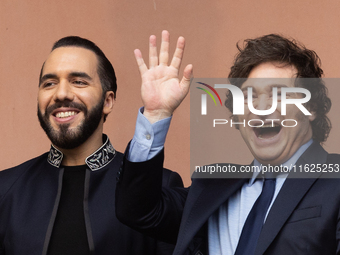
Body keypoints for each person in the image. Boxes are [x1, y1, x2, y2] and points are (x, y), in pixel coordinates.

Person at [116, 30, 340, 255]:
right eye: (249, 96)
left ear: (310, 108)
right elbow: (137, 210)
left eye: (278, 94)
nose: (261, 108)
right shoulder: (212, 187)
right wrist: (156, 114)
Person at [0, 36, 184, 255]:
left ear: (108, 101)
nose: (61, 94)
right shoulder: (5, 189)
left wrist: (156, 115)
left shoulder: (159, 187)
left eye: (79, 81)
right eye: (49, 83)